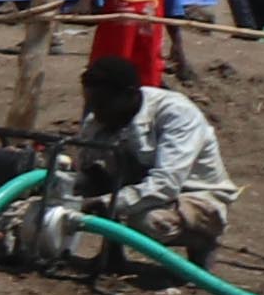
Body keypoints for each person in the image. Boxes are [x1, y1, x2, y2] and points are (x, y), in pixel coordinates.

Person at [36, 57, 235, 272]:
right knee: (84, 185)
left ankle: (203, 242)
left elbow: (165, 184)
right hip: (141, 186)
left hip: (196, 196)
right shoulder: (102, 117)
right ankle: (111, 257)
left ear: (130, 94)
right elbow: (85, 169)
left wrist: (101, 203)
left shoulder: (176, 114)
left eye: (102, 104)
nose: (96, 112)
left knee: (147, 221)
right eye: (92, 103)